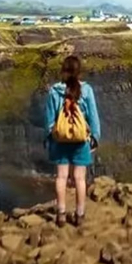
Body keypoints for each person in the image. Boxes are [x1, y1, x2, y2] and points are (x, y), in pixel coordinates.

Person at [44, 55, 101, 227]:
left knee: (61, 177)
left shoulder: (54, 91)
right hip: (80, 141)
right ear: (79, 72)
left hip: (60, 141)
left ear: (63, 71)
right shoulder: (87, 90)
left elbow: (49, 119)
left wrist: (50, 137)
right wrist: (95, 138)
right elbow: (93, 117)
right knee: (79, 178)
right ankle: (79, 215)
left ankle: (61, 214)